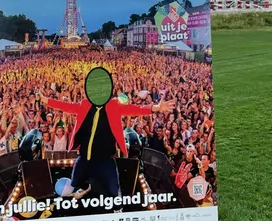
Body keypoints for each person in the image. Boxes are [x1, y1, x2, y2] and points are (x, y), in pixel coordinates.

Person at [38, 67, 174, 202]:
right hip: (85, 156)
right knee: (75, 179)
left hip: (106, 159)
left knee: (113, 188)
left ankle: (116, 204)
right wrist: (45, 100)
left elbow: (134, 109)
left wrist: (155, 108)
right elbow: (66, 106)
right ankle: (78, 189)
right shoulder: (85, 104)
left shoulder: (113, 105)